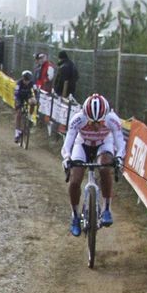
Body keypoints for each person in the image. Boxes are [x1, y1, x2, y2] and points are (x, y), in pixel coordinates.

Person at [61, 93, 125, 235]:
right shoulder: (78, 119)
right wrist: (67, 158)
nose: (96, 126)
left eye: (100, 123)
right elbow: (67, 145)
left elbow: (120, 144)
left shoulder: (112, 119)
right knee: (75, 180)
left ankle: (106, 208)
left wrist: (119, 157)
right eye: (91, 123)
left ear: (105, 117)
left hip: (103, 144)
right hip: (82, 144)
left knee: (104, 167)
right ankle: (75, 216)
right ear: (85, 117)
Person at [13, 69, 37, 144]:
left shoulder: (32, 83)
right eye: (25, 80)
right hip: (19, 97)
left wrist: (36, 98)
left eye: (28, 80)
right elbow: (16, 94)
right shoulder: (19, 83)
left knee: (33, 102)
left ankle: (29, 116)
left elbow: (36, 91)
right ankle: (17, 133)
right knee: (19, 113)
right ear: (23, 78)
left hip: (27, 96)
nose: (27, 82)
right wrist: (18, 103)